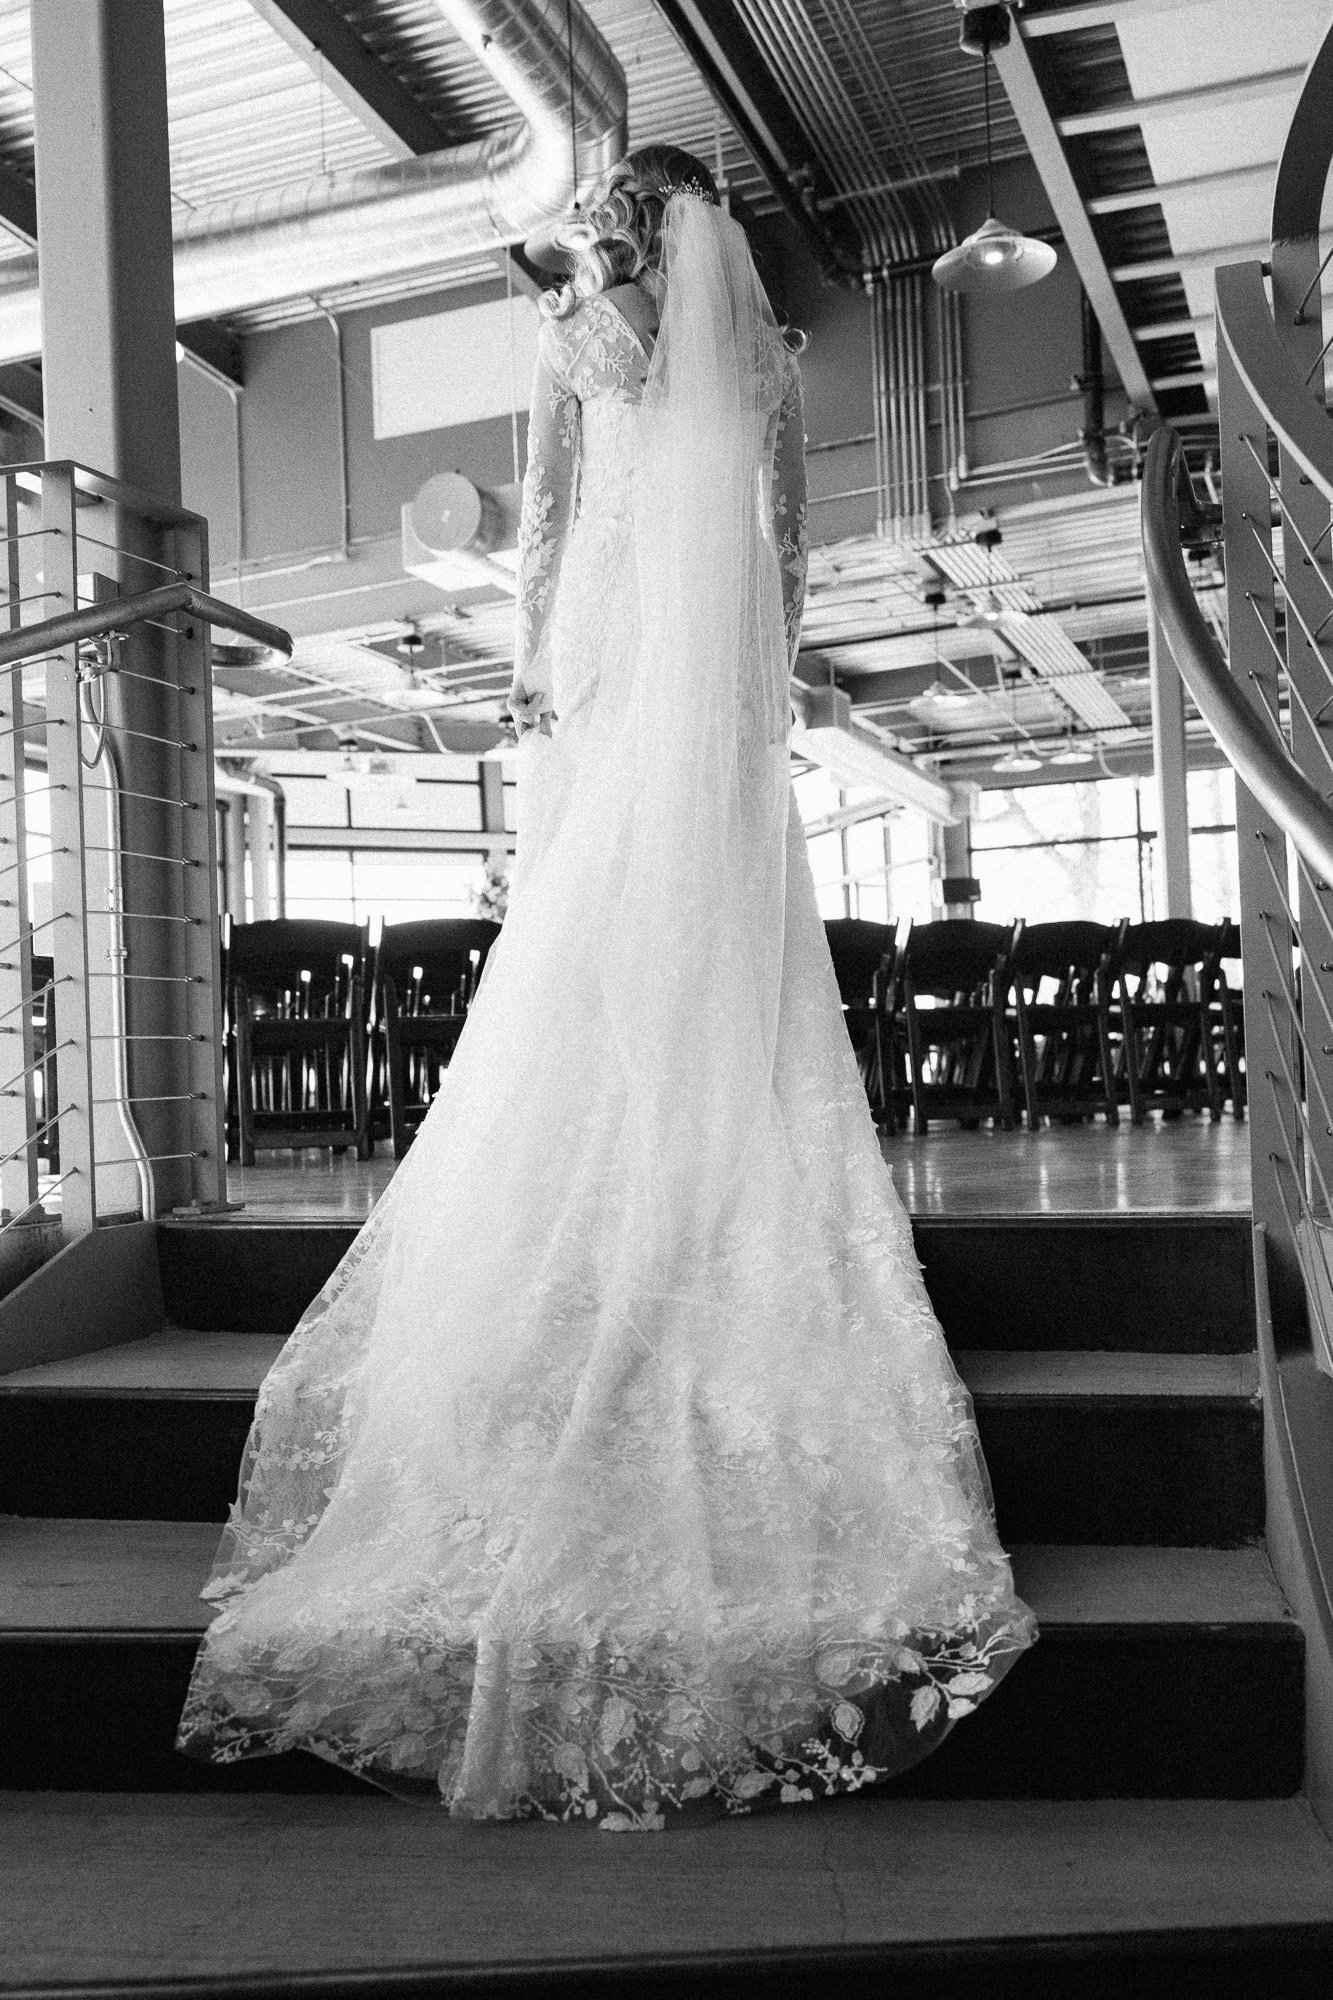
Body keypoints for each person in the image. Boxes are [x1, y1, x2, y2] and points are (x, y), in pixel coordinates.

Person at [177, 146, 1035, 1830]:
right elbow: (783, 550)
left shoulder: (576, 344)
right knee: (722, 961)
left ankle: (609, 1191)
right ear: (712, 233)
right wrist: (752, 697)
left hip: (617, 687)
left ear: (619, 227)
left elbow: (551, 538)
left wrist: (535, 694)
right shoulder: (773, 365)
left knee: (583, 964)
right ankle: (699, 1185)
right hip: (711, 711)